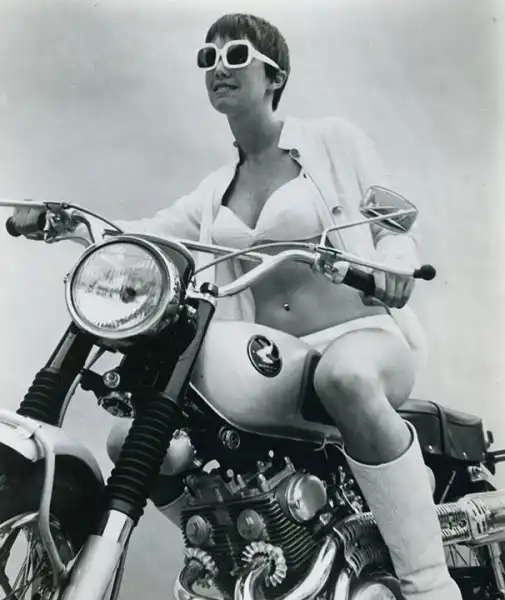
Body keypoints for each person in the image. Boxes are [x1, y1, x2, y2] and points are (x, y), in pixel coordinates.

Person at [11, 13, 461, 600]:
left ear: (275, 75)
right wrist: (64, 221)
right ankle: (235, 558)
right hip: (278, 360)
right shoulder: (214, 190)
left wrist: (396, 268)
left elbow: (392, 220)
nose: (218, 68)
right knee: (133, 443)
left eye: (236, 55)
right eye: (208, 58)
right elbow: (144, 233)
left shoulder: (332, 141)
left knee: (345, 378)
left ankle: (429, 585)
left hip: (360, 337)